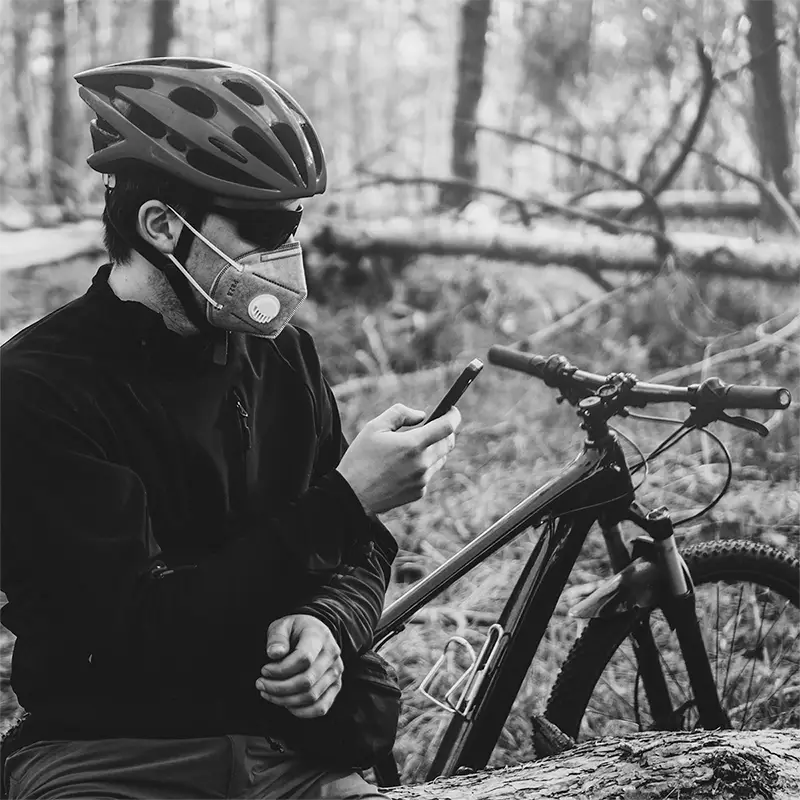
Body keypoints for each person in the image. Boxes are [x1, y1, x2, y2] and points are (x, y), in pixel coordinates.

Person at [0, 57, 460, 800]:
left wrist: (327, 625)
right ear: (159, 226)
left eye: (294, 224)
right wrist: (344, 500)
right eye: (262, 227)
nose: (286, 254)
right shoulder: (38, 391)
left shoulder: (284, 356)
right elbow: (140, 629)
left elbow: (360, 545)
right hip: (109, 756)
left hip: (290, 751)